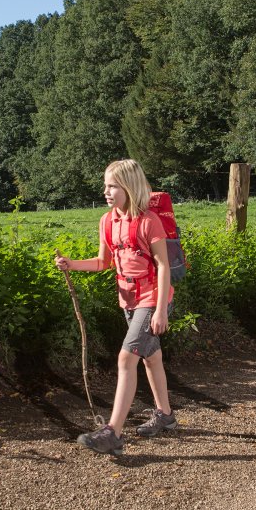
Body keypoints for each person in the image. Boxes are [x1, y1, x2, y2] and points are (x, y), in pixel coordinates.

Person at [55, 159, 176, 455]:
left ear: (129, 187)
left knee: (126, 359)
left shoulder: (149, 221)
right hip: (129, 301)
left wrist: (160, 310)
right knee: (151, 358)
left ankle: (113, 433)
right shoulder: (107, 221)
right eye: (105, 185)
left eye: (112, 186)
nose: (106, 191)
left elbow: (163, 267)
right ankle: (166, 415)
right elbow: (103, 262)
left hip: (153, 298)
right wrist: (71, 264)